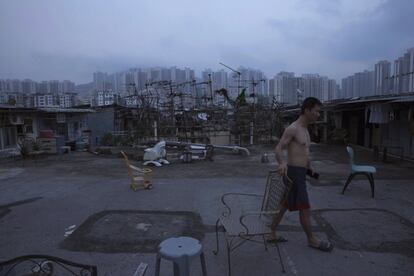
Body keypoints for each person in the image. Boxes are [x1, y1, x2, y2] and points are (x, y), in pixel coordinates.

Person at [268, 97, 333, 252]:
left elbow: (304, 152)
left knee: (284, 205)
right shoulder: (293, 128)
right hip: (293, 173)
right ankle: (312, 240)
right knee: (305, 207)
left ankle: (270, 233)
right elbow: (278, 148)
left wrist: (310, 169)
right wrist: (281, 163)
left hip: (301, 172)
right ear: (307, 110)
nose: (318, 114)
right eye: (316, 111)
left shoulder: (305, 129)